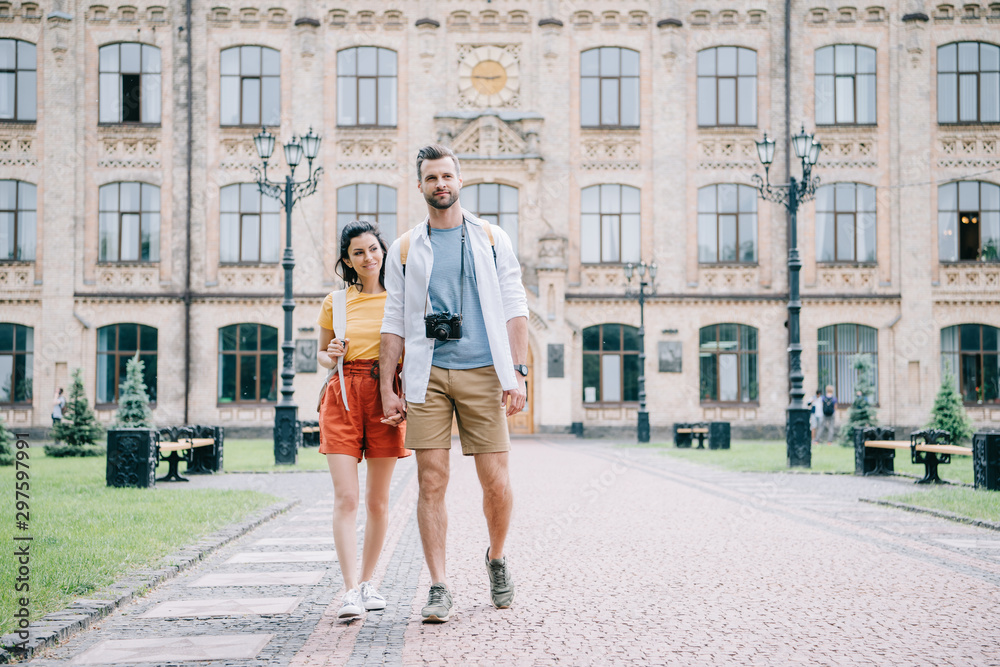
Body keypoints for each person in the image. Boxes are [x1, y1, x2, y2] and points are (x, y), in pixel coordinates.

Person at [379, 144, 528, 623]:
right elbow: (394, 319)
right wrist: (388, 385)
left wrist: (518, 373)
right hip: (428, 376)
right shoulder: (405, 247)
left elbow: (514, 306)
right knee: (431, 481)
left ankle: (497, 558)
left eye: (447, 176)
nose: (440, 184)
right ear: (420, 186)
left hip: (484, 370)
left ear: (459, 181)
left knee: (496, 482)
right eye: (430, 178)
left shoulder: (490, 237)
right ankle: (439, 585)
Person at [316, 220, 410, 621]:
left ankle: (370, 582)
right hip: (343, 393)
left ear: (383, 252)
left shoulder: (400, 300)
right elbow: (321, 355)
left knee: (377, 500)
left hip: (386, 393)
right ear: (347, 261)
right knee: (347, 498)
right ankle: (350, 589)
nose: (368, 257)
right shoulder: (335, 302)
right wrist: (332, 350)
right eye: (358, 252)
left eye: (373, 249)